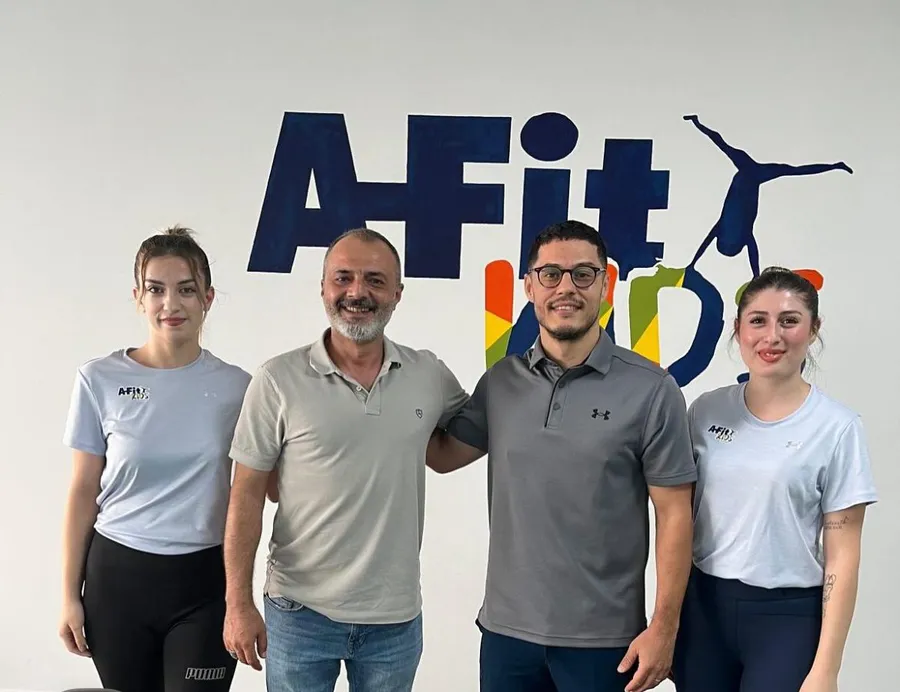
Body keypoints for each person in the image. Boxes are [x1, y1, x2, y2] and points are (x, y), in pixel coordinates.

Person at [427, 219, 698, 692]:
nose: (566, 288)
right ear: (530, 287)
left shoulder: (652, 390)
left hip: (605, 641)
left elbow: (675, 515)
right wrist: (393, 393)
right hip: (507, 635)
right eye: (550, 274)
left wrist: (664, 627)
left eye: (583, 274)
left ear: (605, 285)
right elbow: (444, 455)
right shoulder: (501, 382)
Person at [221, 227, 469, 692]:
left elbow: (449, 449)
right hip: (299, 612)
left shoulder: (428, 374)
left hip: (394, 619)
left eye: (375, 280)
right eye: (343, 278)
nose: (357, 292)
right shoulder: (277, 379)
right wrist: (237, 603)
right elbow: (246, 494)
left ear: (397, 294)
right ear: (323, 288)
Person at [59, 226, 254, 692]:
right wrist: (68, 595)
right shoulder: (99, 380)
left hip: (203, 585)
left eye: (186, 289)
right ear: (138, 298)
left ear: (207, 298)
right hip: (117, 583)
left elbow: (253, 490)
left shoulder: (238, 388)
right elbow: (82, 491)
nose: (171, 304)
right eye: (156, 289)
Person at [670, 266, 878, 692]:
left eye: (789, 321)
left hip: (786, 619)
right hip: (703, 611)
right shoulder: (705, 411)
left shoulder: (837, 427)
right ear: (738, 329)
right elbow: (678, 520)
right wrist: (667, 621)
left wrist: (827, 669)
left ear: (813, 329)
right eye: (758, 321)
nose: (772, 337)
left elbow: (843, 555)